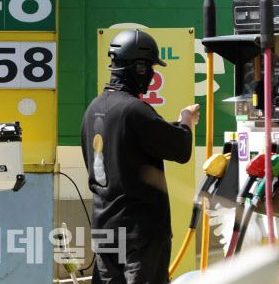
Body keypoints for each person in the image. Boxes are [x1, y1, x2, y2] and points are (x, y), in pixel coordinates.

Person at [81, 29, 199, 284]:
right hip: (140, 232)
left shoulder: (93, 109)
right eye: (151, 68)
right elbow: (180, 149)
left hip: (105, 227)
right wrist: (186, 121)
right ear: (140, 67)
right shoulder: (135, 110)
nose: (152, 75)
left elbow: (125, 146)